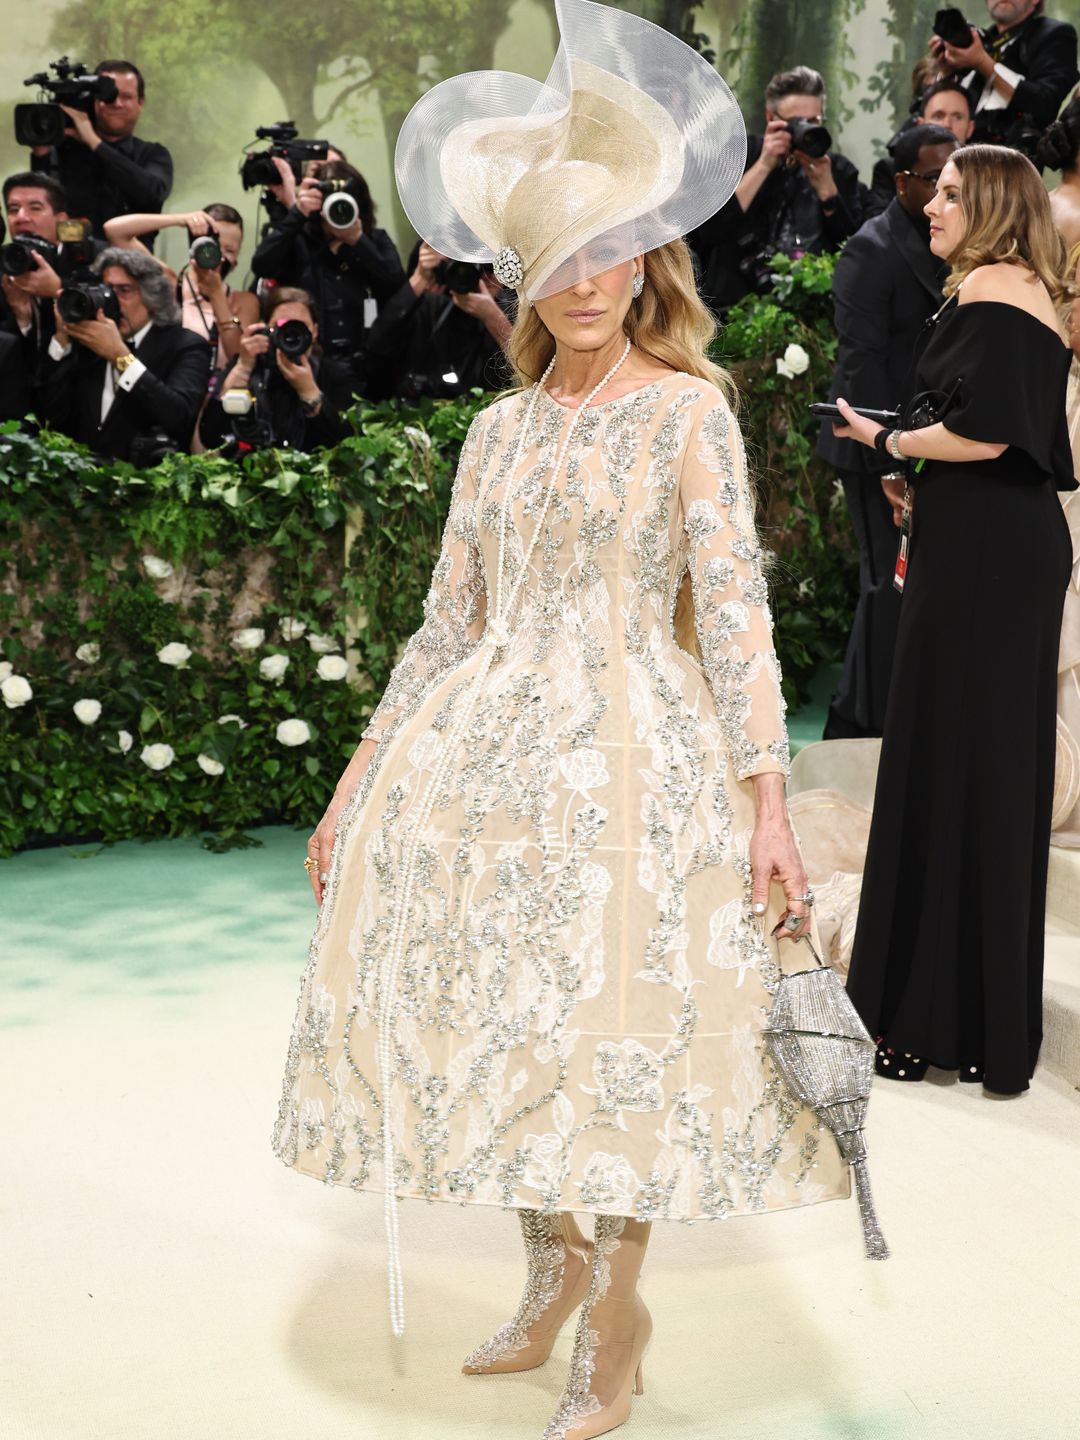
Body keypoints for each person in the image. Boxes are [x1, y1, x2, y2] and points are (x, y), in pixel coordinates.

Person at [272, 6, 859, 1439]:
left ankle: (616, 1320)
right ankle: (546, 1271)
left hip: (635, 758)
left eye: (610, 248)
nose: (586, 279)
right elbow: (445, 623)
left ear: (645, 258)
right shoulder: (498, 430)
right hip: (484, 764)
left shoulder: (687, 414)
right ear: (524, 275)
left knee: (618, 1033)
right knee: (501, 1014)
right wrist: (356, 786)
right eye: (558, 255)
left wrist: (768, 797)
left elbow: (731, 613)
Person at [835, 144, 1076, 1096]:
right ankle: (969, 1021)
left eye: (945, 192)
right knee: (967, 764)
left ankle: (931, 1017)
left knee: (955, 762)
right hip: (985, 542)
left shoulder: (996, 292)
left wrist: (887, 438)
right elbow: (989, 431)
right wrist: (913, 464)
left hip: (986, 560)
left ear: (989, 203)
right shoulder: (1005, 288)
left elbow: (989, 431)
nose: (927, 204)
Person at [818, 124, 958, 739]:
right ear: (902, 181)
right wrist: (888, 460)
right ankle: (857, 731)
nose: (943, 191)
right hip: (874, 448)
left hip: (922, 441)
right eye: (933, 178)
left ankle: (883, 719)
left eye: (953, 178)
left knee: (901, 590)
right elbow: (860, 365)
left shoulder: (948, 239)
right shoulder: (870, 250)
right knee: (884, 586)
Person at [688, 65, 862, 313]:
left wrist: (828, 193)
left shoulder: (839, 170)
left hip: (811, 314)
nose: (806, 130)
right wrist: (763, 165)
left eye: (814, 122)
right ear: (771, 118)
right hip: (734, 311)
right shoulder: (739, 155)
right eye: (796, 123)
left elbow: (852, 249)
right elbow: (709, 232)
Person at [37, 247, 211, 462]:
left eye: (124, 290)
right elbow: (51, 420)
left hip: (152, 485)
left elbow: (179, 418)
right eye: (105, 289)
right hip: (83, 483)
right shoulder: (88, 344)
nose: (111, 299)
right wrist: (62, 341)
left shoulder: (186, 345)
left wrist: (119, 356)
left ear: (151, 297)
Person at [250, 159, 404, 396]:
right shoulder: (300, 239)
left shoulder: (375, 240)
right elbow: (262, 264)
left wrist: (358, 242)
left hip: (367, 368)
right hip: (308, 363)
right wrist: (298, 213)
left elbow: (397, 289)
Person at [27, 61, 173, 243]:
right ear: (94, 101)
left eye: (126, 97)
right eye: (109, 97)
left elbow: (151, 195)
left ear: (140, 101)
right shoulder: (63, 152)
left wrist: (95, 143)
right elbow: (38, 207)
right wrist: (42, 154)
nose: (117, 104)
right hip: (67, 263)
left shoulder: (152, 154)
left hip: (132, 265)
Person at [104, 205, 260, 371]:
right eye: (212, 246)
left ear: (238, 255)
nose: (217, 256)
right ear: (194, 246)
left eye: (229, 250)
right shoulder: (169, 284)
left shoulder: (244, 301)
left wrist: (216, 295)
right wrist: (181, 219)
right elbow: (114, 231)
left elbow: (238, 359)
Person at [199, 287, 354, 453]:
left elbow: (345, 444)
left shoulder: (334, 373)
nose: (290, 335)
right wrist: (243, 370)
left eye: (299, 326)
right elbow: (211, 437)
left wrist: (309, 392)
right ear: (267, 329)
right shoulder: (248, 365)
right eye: (281, 326)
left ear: (314, 331)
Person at [365, 241, 513, 399]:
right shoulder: (429, 305)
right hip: (427, 410)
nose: (478, 277)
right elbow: (377, 344)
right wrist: (419, 278)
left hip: (491, 409)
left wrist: (492, 316)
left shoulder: (509, 306)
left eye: (488, 267)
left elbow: (528, 367)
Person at [932, 1, 1078, 159]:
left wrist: (982, 62)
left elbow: (1045, 103)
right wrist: (946, 72)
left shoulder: (1053, 34)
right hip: (957, 159)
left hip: (1011, 165)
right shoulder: (980, 41)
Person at [1, 171, 104, 383]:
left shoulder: (93, 257)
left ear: (61, 221)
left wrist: (58, 289)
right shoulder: (4, 268)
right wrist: (22, 319)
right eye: (13, 209)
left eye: (35, 208)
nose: (21, 217)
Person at [865, 80, 975, 217]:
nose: (947, 124)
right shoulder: (892, 170)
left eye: (957, 117)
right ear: (920, 124)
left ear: (970, 128)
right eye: (938, 116)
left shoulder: (984, 175)